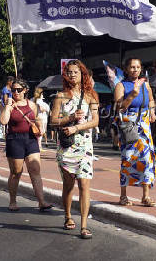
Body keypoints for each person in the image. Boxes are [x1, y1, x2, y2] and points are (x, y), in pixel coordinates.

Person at [50, 60, 99, 239]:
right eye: (69, 72)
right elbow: (53, 121)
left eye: (75, 72)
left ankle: (84, 226)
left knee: (84, 185)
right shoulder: (60, 96)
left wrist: (77, 127)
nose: (72, 75)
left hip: (85, 146)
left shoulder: (90, 96)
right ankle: (68, 216)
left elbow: (96, 120)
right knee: (69, 186)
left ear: (82, 74)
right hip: (67, 146)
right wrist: (69, 118)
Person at [0, 79, 53, 213]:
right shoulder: (9, 105)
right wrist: (7, 106)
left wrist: (40, 127)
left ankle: (41, 201)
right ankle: (12, 201)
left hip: (30, 139)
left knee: (35, 170)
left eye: (18, 90)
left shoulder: (32, 104)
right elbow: (3, 121)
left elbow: (36, 119)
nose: (15, 92)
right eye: (13, 90)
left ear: (25, 90)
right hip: (14, 140)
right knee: (16, 172)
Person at [114, 58, 156, 207]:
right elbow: (119, 107)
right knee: (128, 159)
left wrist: (152, 112)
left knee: (146, 160)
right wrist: (132, 94)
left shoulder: (145, 84)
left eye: (138, 67)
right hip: (129, 125)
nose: (135, 70)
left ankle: (145, 196)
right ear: (126, 69)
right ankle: (123, 195)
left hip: (144, 126)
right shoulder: (121, 85)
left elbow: (151, 100)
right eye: (132, 67)